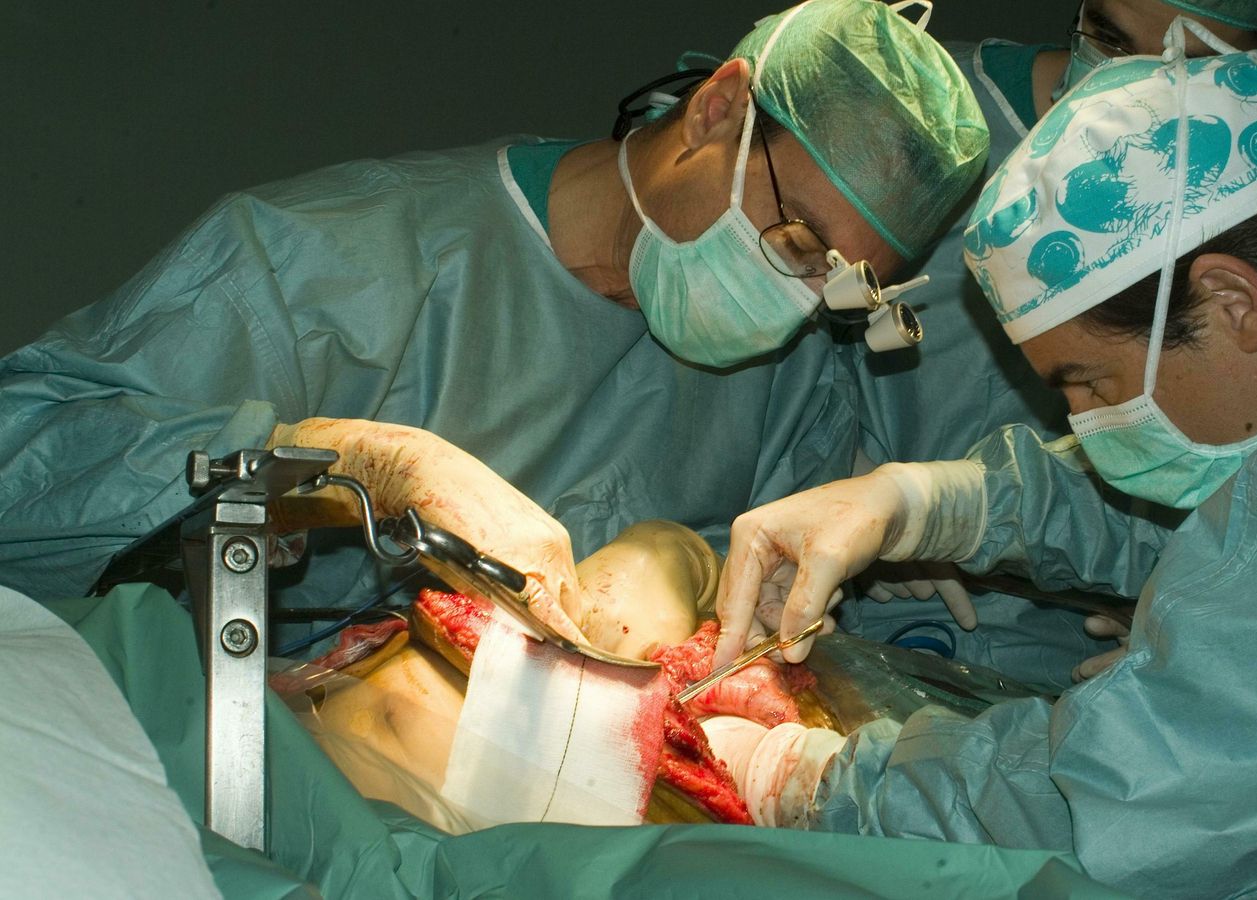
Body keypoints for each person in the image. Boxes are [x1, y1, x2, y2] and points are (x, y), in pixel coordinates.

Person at [711, 27, 1257, 896]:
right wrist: (934, 503)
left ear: (1233, 299)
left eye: (1089, 384)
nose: (1086, 426)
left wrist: (809, 783)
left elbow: (1130, 809)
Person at [0, 0, 987, 645]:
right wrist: (337, 463)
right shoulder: (322, 262)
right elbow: (25, 474)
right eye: (796, 239)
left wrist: (713, 573)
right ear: (717, 110)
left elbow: (758, 598)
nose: (800, 298)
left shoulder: (791, 375)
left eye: (842, 284)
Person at [843, 0, 1257, 690]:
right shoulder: (915, 111)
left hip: (1087, 635)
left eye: (1182, 65)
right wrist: (834, 477)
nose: (1124, 85)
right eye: (1110, 38)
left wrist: (1214, 612)